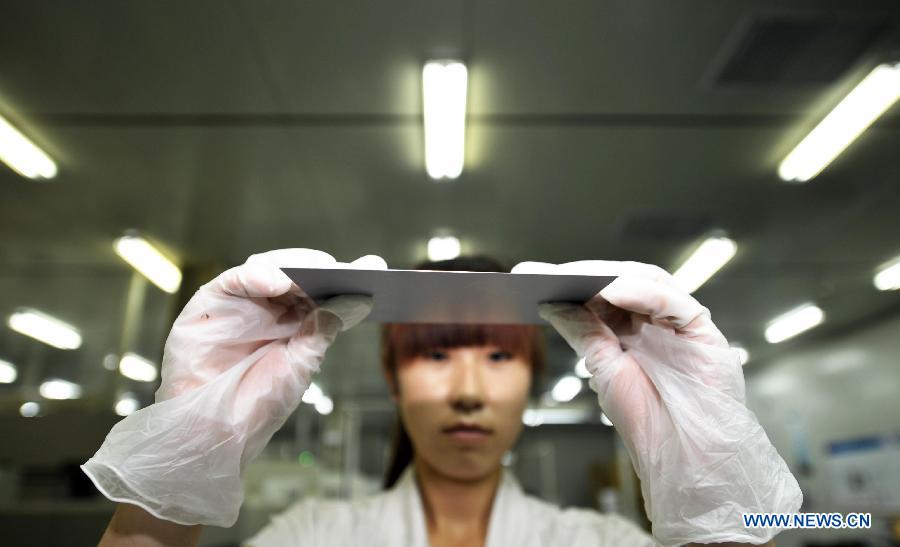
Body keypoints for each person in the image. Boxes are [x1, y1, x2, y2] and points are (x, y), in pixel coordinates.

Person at [84, 249, 801, 547]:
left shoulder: (602, 541)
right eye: (435, 353)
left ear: (530, 378)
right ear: (393, 378)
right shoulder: (312, 537)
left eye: (496, 355)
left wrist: (719, 507)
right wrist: (171, 481)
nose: (466, 391)